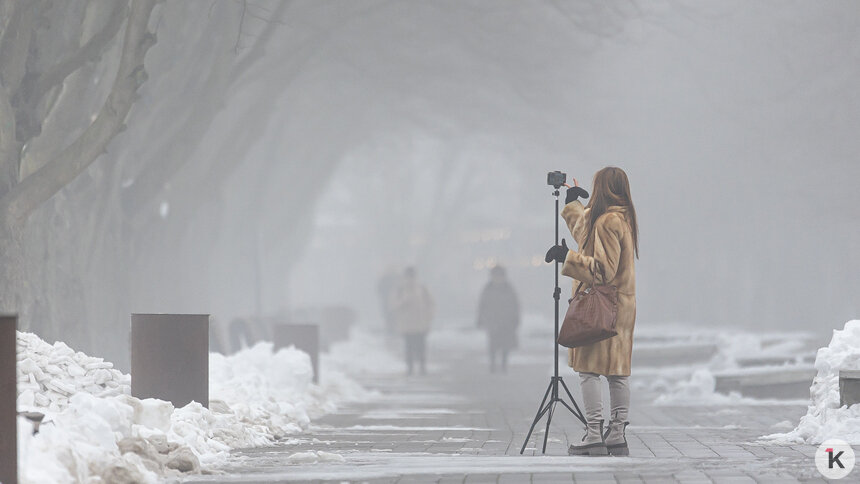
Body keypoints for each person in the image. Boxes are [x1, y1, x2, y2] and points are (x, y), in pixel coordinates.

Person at [545, 166, 639, 457]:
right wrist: (573, 206)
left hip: (600, 305)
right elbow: (589, 241)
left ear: (603, 188)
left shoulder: (607, 221)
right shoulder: (620, 218)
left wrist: (567, 258)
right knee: (617, 373)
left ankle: (593, 433)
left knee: (589, 371)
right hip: (619, 305)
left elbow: (603, 271)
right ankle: (616, 434)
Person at [390, 266, 434, 375]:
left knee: (421, 346)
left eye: (412, 276)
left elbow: (431, 303)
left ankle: (422, 367)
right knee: (409, 346)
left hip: (421, 323)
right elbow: (393, 306)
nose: (410, 279)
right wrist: (403, 302)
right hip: (407, 324)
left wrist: (429, 316)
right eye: (408, 276)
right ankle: (410, 368)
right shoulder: (400, 290)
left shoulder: (422, 289)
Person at [476, 265, 520, 373]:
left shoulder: (509, 289)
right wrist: (480, 319)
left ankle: (504, 365)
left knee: (505, 345)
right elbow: (482, 305)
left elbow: (515, 305)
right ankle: (493, 365)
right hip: (492, 322)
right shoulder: (488, 289)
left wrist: (515, 319)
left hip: (506, 322)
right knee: (493, 345)